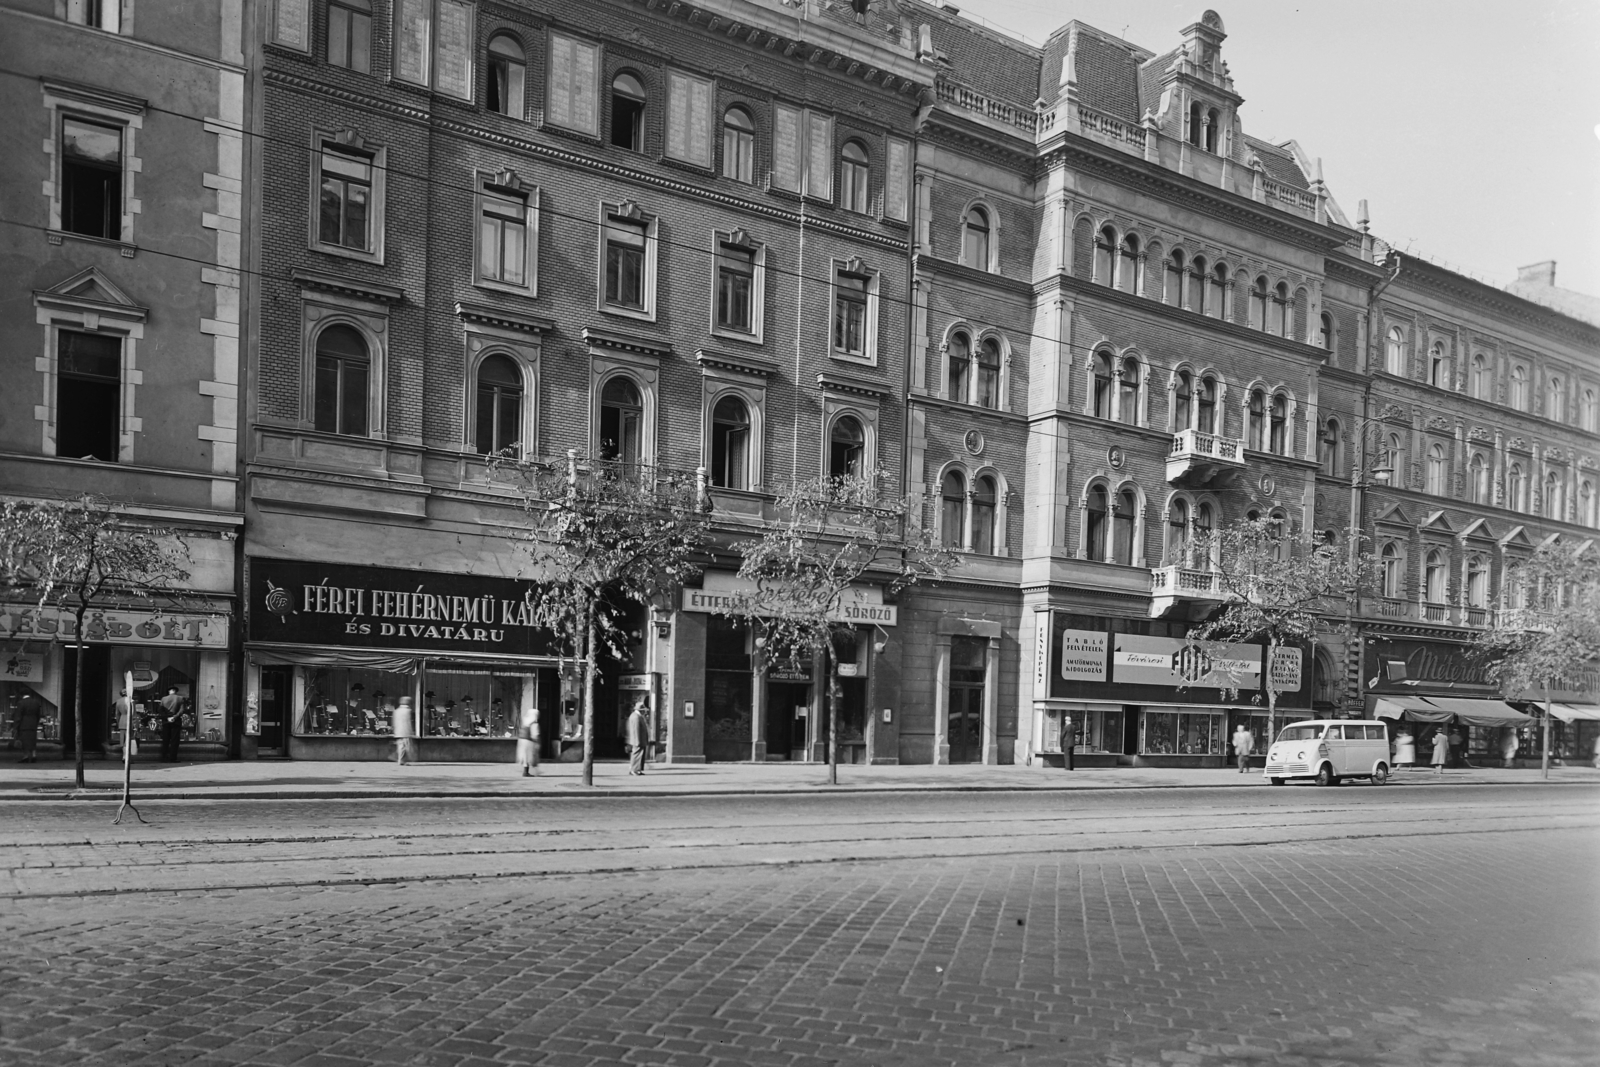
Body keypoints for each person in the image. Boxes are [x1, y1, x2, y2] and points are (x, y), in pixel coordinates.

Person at [15, 688, 43, 763]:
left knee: (24, 741)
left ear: (21, 695)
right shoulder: (36, 702)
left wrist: (16, 726)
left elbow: (18, 716)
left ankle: (26, 756)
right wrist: (36, 723)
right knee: (33, 740)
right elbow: (38, 715)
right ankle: (34, 755)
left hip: (23, 724)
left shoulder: (21, 703)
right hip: (33, 724)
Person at [159, 687, 184, 763]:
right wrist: (175, 717)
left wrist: (167, 717)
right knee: (175, 740)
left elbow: (160, 710)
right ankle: (173, 758)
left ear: (169, 691)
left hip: (166, 722)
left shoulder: (163, 699)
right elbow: (182, 710)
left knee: (165, 740)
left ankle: (164, 757)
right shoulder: (180, 698)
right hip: (176, 721)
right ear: (175, 691)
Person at [515, 702, 540, 777]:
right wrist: (537, 743)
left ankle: (526, 771)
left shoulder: (526, 721)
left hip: (522, 740)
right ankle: (526, 772)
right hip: (529, 742)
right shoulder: (534, 723)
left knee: (524, 756)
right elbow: (535, 735)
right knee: (530, 756)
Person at [625, 699, 649, 776]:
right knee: (637, 755)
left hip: (639, 739)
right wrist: (637, 741)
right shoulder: (636, 717)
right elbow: (636, 730)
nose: (644, 711)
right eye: (643, 710)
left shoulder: (637, 716)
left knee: (639, 755)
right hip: (638, 740)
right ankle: (634, 770)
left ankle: (637, 769)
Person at [392, 695, 418, 765]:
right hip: (405, 731)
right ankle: (400, 759)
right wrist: (412, 731)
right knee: (405, 746)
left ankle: (400, 759)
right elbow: (409, 722)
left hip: (398, 731)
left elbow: (394, 721)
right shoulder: (408, 711)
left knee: (401, 745)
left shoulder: (396, 711)